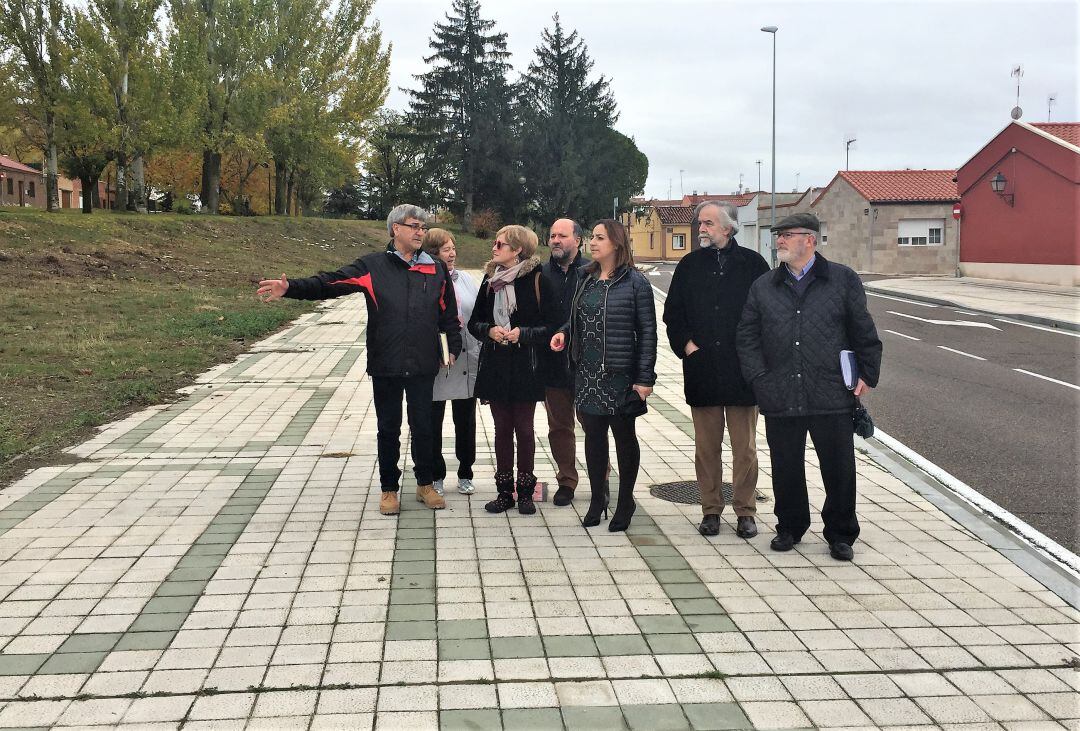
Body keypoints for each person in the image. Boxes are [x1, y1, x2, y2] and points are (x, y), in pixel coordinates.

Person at [256, 204, 461, 516]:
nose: (421, 232)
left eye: (423, 227)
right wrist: (290, 288)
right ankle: (389, 489)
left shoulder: (435, 268)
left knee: (424, 426)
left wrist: (451, 349)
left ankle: (425, 484)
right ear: (396, 230)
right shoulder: (373, 266)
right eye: (414, 226)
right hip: (386, 363)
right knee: (388, 428)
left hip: (422, 363)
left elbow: (448, 315)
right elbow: (330, 283)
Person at [736, 212, 882, 561]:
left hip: (831, 391)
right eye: (778, 236)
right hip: (780, 392)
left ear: (810, 240)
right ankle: (790, 526)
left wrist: (866, 374)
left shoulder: (842, 280)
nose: (780, 241)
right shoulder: (764, 286)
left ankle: (841, 533)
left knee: (839, 467)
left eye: (787, 235)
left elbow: (863, 330)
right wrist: (759, 379)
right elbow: (747, 336)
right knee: (785, 464)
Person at [663, 201, 770, 539]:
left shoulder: (753, 264)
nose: (701, 229)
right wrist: (688, 347)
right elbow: (673, 314)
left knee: (745, 448)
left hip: (741, 373)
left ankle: (745, 511)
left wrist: (757, 357)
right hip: (704, 370)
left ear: (727, 228)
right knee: (706, 447)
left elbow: (768, 314)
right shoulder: (689, 265)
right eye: (700, 223)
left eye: (708, 223)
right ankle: (710, 510)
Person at [551, 220, 656, 532]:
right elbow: (579, 318)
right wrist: (564, 333)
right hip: (587, 373)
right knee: (594, 439)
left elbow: (647, 331)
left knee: (624, 439)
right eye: (592, 238)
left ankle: (626, 501)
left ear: (616, 243)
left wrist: (644, 378)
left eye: (599, 238)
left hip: (620, 375)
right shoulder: (587, 278)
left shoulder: (635, 282)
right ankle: (599, 498)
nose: (592, 244)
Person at [468, 225, 553, 515]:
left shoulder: (537, 279)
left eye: (501, 244)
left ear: (517, 250)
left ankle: (526, 492)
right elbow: (474, 323)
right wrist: (489, 331)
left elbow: (550, 326)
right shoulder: (489, 280)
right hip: (496, 364)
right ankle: (504, 493)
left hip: (525, 366)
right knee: (502, 429)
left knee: (525, 430)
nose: (494, 247)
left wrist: (523, 334)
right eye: (495, 242)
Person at [423, 228, 481, 497]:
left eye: (453, 247)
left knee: (466, 420)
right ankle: (436, 474)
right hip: (437, 359)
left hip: (465, 357)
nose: (453, 253)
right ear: (433, 253)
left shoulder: (466, 280)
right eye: (446, 249)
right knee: (433, 420)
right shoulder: (425, 279)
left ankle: (466, 472)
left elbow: (478, 314)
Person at [541, 218, 589, 506]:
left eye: (562, 235)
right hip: (552, 364)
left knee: (594, 426)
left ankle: (601, 479)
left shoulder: (592, 273)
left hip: (586, 365)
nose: (556, 240)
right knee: (559, 426)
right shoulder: (540, 274)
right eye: (552, 236)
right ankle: (567, 481)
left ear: (578, 240)